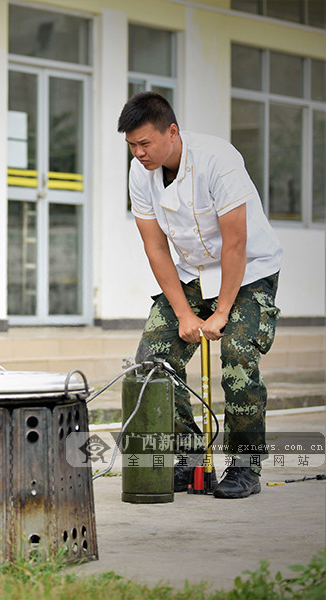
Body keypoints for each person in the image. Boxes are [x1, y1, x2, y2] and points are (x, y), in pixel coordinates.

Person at [117, 92, 283, 499]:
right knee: (151, 365)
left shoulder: (217, 159)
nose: (139, 153)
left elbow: (236, 244)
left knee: (237, 356)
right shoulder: (141, 175)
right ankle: (193, 462)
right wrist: (184, 314)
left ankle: (245, 467)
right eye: (132, 146)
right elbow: (155, 248)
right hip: (193, 275)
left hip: (248, 272)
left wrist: (222, 312)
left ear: (171, 132)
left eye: (145, 143)